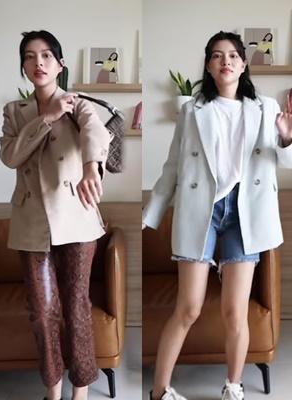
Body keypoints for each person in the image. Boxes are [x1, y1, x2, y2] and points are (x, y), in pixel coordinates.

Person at [144, 31, 292, 400]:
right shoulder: (192, 110)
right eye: (216, 55)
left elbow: (284, 163)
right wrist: (151, 214)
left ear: (243, 65)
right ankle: (159, 391)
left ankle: (233, 386)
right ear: (209, 66)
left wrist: (288, 139)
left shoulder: (266, 108)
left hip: (246, 212)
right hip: (203, 211)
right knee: (188, 308)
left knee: (235, 312)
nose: (225, 61)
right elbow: (173, 165)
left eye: (233, 55)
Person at [0, 30, 111, 400]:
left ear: (60, 64)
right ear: (23, 66)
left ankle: (81, 391)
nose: (39, 62)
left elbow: (96, 133)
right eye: (30, 56)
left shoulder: (79, 104)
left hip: (76, 217)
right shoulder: (14, 111)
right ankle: (53, 390)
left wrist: (92, 168)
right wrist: (46, 118)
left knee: (76, 306)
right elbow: (10, 156)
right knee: (42, 311)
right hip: (31, 222)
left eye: (47, 55)